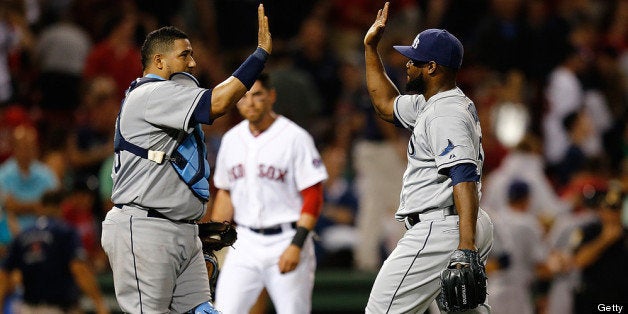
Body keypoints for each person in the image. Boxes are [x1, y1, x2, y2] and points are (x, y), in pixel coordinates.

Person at [100, 5, 272, 313]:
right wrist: (259, 55)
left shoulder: (169, 99)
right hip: (145, 228)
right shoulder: (151, 94)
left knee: (201, 310)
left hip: (180, 228)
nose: (193, 63)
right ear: (159, 60)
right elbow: (217, 103)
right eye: (185, 55)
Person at [362, 3, 493, 313]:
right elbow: (384, 104)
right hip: (454, 224)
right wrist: (370, 49)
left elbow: (464, 174)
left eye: (414, 61)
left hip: (442, 228)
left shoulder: (444, 113)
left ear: (432, 67)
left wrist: (466, 246)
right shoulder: (433, 104)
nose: (407, 65)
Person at [210, 73, 328, 314]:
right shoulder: (231, 139)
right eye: (243, 97)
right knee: (223, 310)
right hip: (244, 241)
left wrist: (296, 244)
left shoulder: (295, 137)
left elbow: (313, 196)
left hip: (286, 238)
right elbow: (225, 193)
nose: (250, 102)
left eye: (257, 95)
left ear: (271, 96)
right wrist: (213, 242)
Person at [0, 190, 109, 314]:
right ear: (61, 207)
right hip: (58, 307)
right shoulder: (66, 232)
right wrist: (99, 303)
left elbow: (4, 274)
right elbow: (79, 269)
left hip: (28, 308)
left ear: (41, 207)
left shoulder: (23, 235)